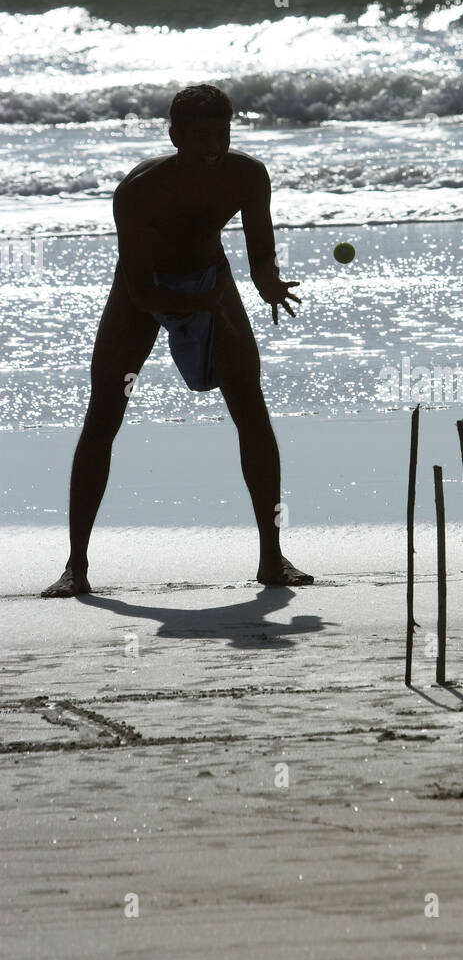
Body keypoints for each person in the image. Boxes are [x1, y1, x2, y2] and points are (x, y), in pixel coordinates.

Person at [42, 83, 313, 596]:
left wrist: (269, 282)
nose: (214, 145)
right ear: (175, 135)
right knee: (105, 410)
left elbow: (260, 253)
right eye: (200, 135)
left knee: (250, 409)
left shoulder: (248, 175)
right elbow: (144, 292)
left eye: (222, 133)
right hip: (141, 291)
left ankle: (272, 558)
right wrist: (198, 305)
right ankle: (76, 566)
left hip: (211, 278)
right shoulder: (139, 190)